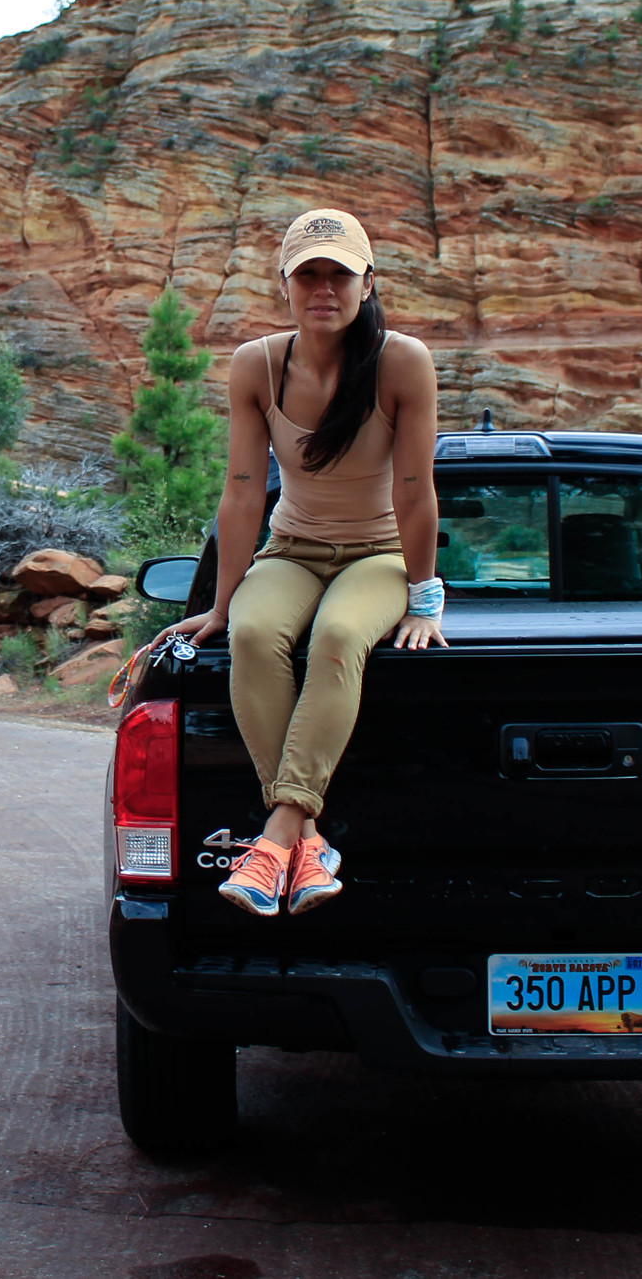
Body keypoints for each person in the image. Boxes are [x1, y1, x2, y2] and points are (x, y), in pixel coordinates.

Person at [157, 208, 445, 916]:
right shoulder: (258, 364)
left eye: (340, 274)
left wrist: (424, 595)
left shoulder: (403, 362)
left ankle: (275, 833)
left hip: (377, 554)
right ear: (284, 283)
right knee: (253, 635)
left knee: (340, 637)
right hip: (292, 550)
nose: (324, 288)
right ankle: (306, 842)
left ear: (368, 282)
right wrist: (224, 604)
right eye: (308, 273)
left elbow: (414, 491)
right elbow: (242, 492)